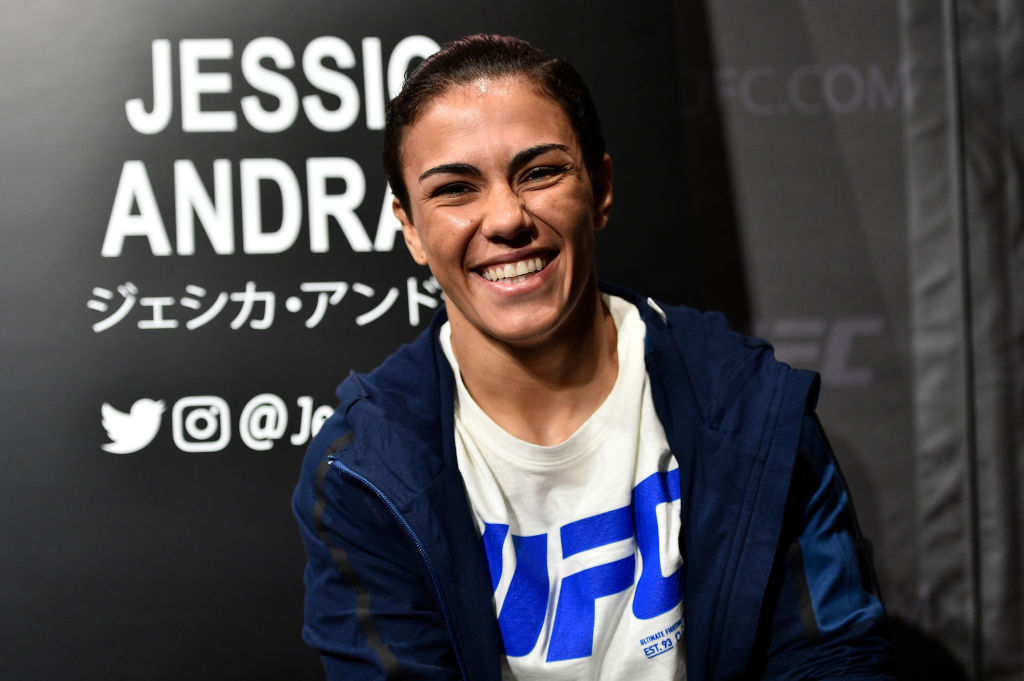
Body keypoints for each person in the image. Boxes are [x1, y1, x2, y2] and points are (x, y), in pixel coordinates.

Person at [292, 34, 892, 681]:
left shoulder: (753, 410)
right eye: (456, 189)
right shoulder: (363, 471)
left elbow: (834, 660)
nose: (506, 218)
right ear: (409, 226)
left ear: (600, 187)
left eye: (540, 172)